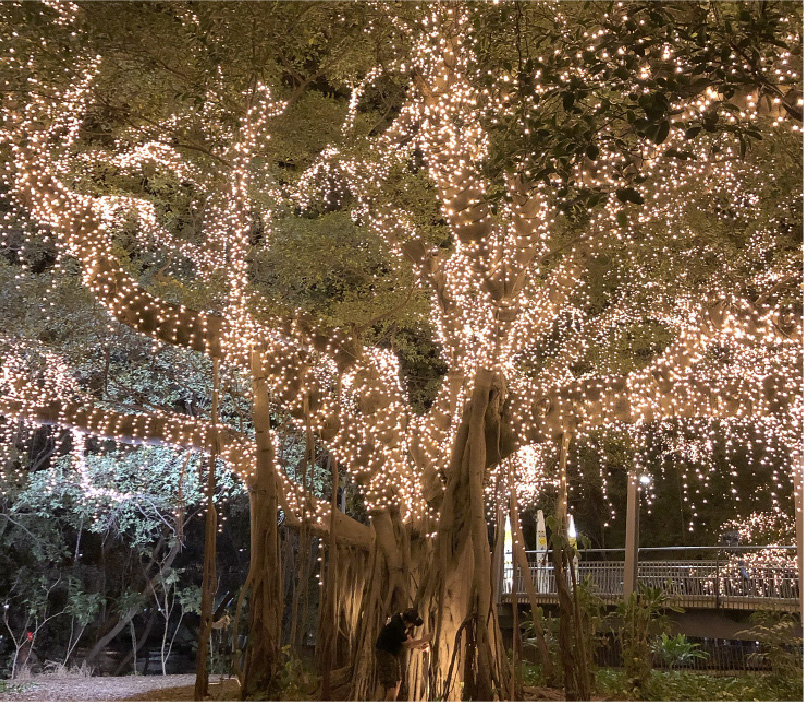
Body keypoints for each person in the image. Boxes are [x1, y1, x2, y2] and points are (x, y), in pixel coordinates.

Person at [376, 608, 430, 701]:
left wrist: (420, 647)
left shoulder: (398, 617)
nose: (411, 625)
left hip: (393, 654)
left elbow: (407, 639)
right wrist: (423, 640)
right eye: (411, 623)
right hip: (385, 654)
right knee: (391, 688)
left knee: (398, 681)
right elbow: (408, 644)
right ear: (406, 621)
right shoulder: (396, 625)